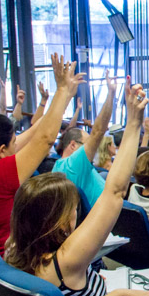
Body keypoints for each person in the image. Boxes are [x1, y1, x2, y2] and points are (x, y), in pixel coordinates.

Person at [4, 76, 148, 296]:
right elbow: (115, 192)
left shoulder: (15, 251)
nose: (76, 213)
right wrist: (133, 123)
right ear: (57, 221)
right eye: (72, 208)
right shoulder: (66, 261)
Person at [0, 54, 84, 256]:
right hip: (6, 268)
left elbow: (35, 133)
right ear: (1, 151)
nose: (18, 145)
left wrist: (64, 97)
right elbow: (44, 139)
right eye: (14, 142)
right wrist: (62, 89)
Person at [52, 70, 117, 207]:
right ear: (73, 145)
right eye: (86, 144)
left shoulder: (59, 165)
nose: (91, 148)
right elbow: (98, 132)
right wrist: (111, 94)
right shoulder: (73, 165)